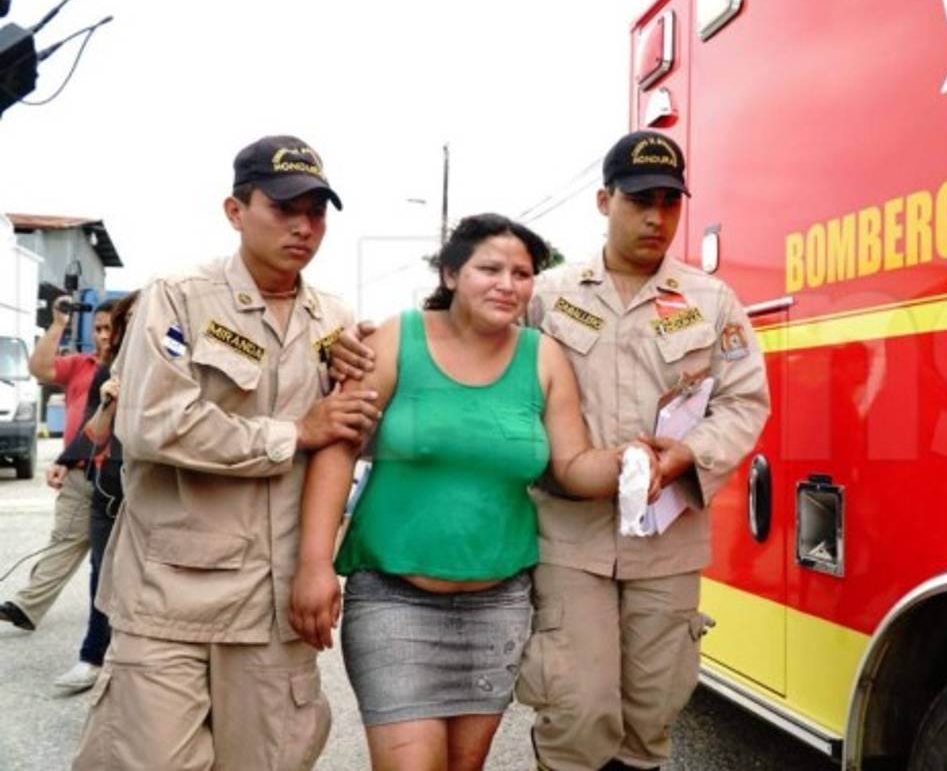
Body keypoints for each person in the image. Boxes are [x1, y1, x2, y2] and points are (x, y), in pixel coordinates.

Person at [290, 213, 657, 771]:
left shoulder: (543, 356)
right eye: (490, 268)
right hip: (394, 601)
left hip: (498, 606)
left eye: (523, 273)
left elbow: (573, 467)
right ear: (451, 274)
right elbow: (337, 446)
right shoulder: (396, 338)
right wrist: (315, 564)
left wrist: (638, 461)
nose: (508, 284)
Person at [72, 135, 381, 771]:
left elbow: (348, 438)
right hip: (170, 598)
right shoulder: (179, 297)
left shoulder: (335, 319)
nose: (303, 227)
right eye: (284, 208)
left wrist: (375, 377)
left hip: (274, 607)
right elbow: (154, 422)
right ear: (235, 211)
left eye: (317, 212)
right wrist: (294, 432)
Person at [518, 130, 770, 771]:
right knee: (576, 704)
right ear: (604, 201)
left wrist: (688, 455)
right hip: (568, 538)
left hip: (667, 540)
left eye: (669, 200)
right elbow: (496, 383)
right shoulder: (548, 296)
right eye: (639, 200)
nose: (657, 216)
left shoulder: (711, 302)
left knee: (653, 707)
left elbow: (744, 403)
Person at [0, 297, 115, 633]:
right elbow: (40, 369)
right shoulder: (82, 364)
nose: (104, 335)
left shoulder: (137, 368)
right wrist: (58, 324)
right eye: (98, 329)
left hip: (120, 476)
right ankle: (26, 606)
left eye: (110, 328)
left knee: (114, 554)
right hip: (79, 469)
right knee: (64, 538)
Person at [52, 291, 139, 692]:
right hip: (109, 483)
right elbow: (94, 430)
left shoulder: (178, 367)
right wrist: (66, 460)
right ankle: (92, 657)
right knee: (102, 573)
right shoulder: (108, 374)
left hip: (154, 489)